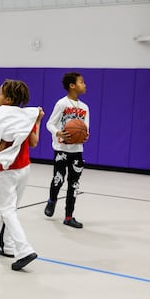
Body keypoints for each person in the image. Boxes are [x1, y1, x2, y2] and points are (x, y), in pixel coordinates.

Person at [0, 79, 44, 271]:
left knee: (6, 209)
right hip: (25, 169)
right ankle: (7, 247)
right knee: (11, 208)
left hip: (9, 170)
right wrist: (37, 120)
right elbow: (34, 142)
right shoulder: (26, 117)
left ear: (8, 99)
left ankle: (24, 249)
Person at [43, 72, 89, 228]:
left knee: (74, 184)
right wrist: (58, 132)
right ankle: (52, 200)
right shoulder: (61, 104)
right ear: (72, 85)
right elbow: (49, 124)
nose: (85, 85)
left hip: (77, 150)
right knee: (59, 178)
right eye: (81, 82)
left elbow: (85, 128)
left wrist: (84, 136)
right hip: (61, 149)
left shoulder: (85, 107)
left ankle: (69, 217)